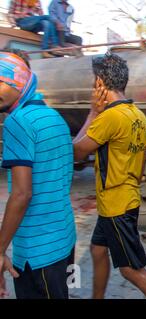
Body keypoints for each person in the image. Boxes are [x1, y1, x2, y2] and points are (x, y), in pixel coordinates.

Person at [72, 53, 146, 299]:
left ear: (100, 84)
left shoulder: (109, 117)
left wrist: (92, 113)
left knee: (131, 270)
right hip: (121, 200)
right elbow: (144, 157)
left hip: (116, 206)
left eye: (94, 81)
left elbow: (76, 152)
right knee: (97, 249)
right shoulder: (136, 113)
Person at [0, 51, 76, 299]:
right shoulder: (54, 117)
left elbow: (22, 194)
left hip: (37, 251)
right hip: (65, 238)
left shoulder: (17, 122)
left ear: (19, 82)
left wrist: (0, 250)